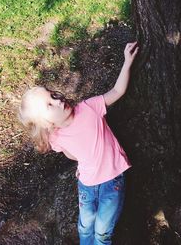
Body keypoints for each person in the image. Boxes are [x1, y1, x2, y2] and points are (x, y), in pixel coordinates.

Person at [18, 42, 139, 245]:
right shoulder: (55, 137)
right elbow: (72, 153)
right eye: (49, 105)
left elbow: (117, 91)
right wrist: (82, 164)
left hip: (112, 181)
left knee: (102, 231)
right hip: (86, 185)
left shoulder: (89, 108)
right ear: (47, 124)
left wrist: (127, 62)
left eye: (53, 95)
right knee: (85, 226)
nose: (57, 100)